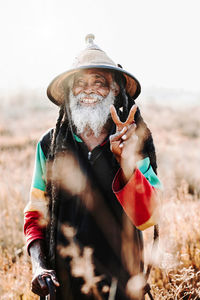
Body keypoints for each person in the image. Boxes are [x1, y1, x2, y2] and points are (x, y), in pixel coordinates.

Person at [24, 34, 161, 300]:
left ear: (116, 91)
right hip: (63, 286)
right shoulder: (49, 145)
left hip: (121, 286)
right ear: (68, 92)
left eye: (99, 83)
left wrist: (126, 163)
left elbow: (150, 218)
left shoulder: (133, 141)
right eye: (79, 84)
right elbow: (35, 215)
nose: (88, 90)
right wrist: (39, 267)